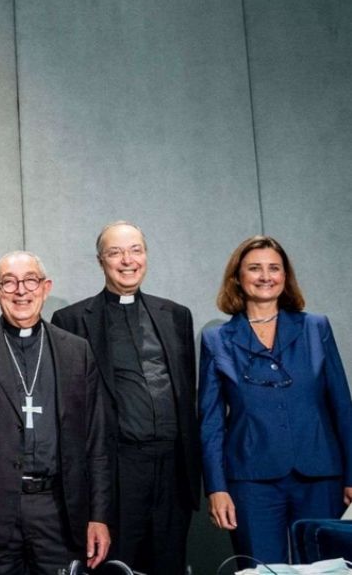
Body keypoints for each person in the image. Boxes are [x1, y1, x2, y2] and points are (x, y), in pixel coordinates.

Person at [0, 251, 111, 574]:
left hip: (58, 512)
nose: (21, 291)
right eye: (9, 282)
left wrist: (99, 515)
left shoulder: (77, 351)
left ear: (46, 287)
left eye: (30, 280)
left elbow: (96, 444)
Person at [51, 221, 199, 574]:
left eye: (135, 250)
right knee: (118, 568)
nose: (127, 260)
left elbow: (187, 393)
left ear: (146, 256)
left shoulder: (176, 315)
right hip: (117, 472)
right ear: (101, 261)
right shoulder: (71, 321)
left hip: (172, 472)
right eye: (115, 252)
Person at [200, 235, 352, 563]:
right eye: (255, 268)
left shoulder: (316, 327)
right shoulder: (217, 339)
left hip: (320, 475)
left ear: (285, 277)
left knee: (326, 568)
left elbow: (342, 405)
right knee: (260, 569)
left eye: (274, 268)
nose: (265, 276)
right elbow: (210, 422)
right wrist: (217, 487)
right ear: (238, 278)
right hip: (252, 481)